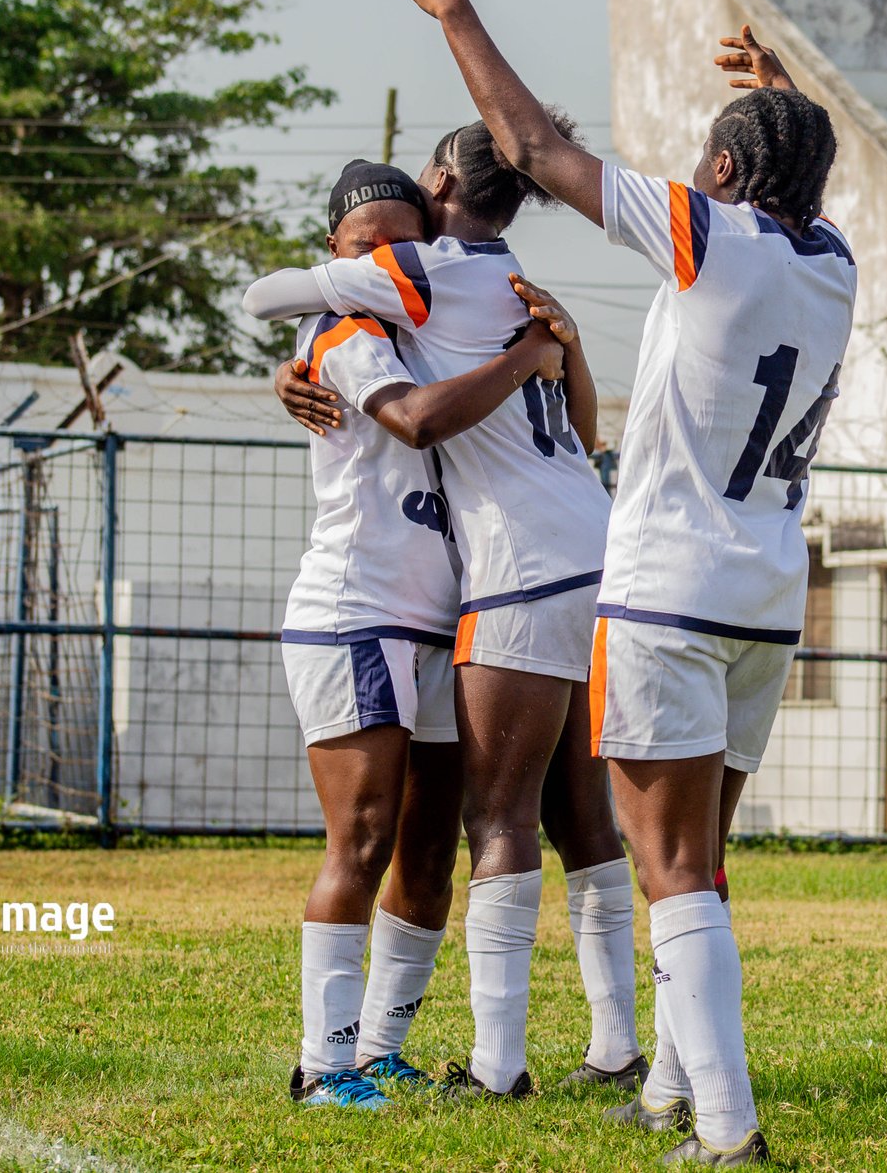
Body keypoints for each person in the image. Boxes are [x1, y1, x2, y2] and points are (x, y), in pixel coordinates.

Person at [405, 0, 853, 1167]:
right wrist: (783, 102)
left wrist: (455, 14)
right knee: (696, 864)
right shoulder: (833, 264)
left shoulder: (713, 235)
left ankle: (727, 1128)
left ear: (719, 172)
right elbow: (804, 182)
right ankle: (664, 1089)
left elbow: (538, 153)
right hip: (766, 589)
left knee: (673, 872)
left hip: (665, 586)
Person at [249, 127, 640, 1104]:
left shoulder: (435, 300)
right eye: (359, 245)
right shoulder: (357, 324)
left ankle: (381, 1045)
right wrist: (539, 353)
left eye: (397, 234)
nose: (380, 255)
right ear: (335, 255)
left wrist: (558, 348)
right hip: (365, 604)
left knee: (440, 841)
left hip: (468, 600)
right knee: (379, 834)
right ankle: (326, 1062)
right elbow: (404, 410)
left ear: (431, 211)